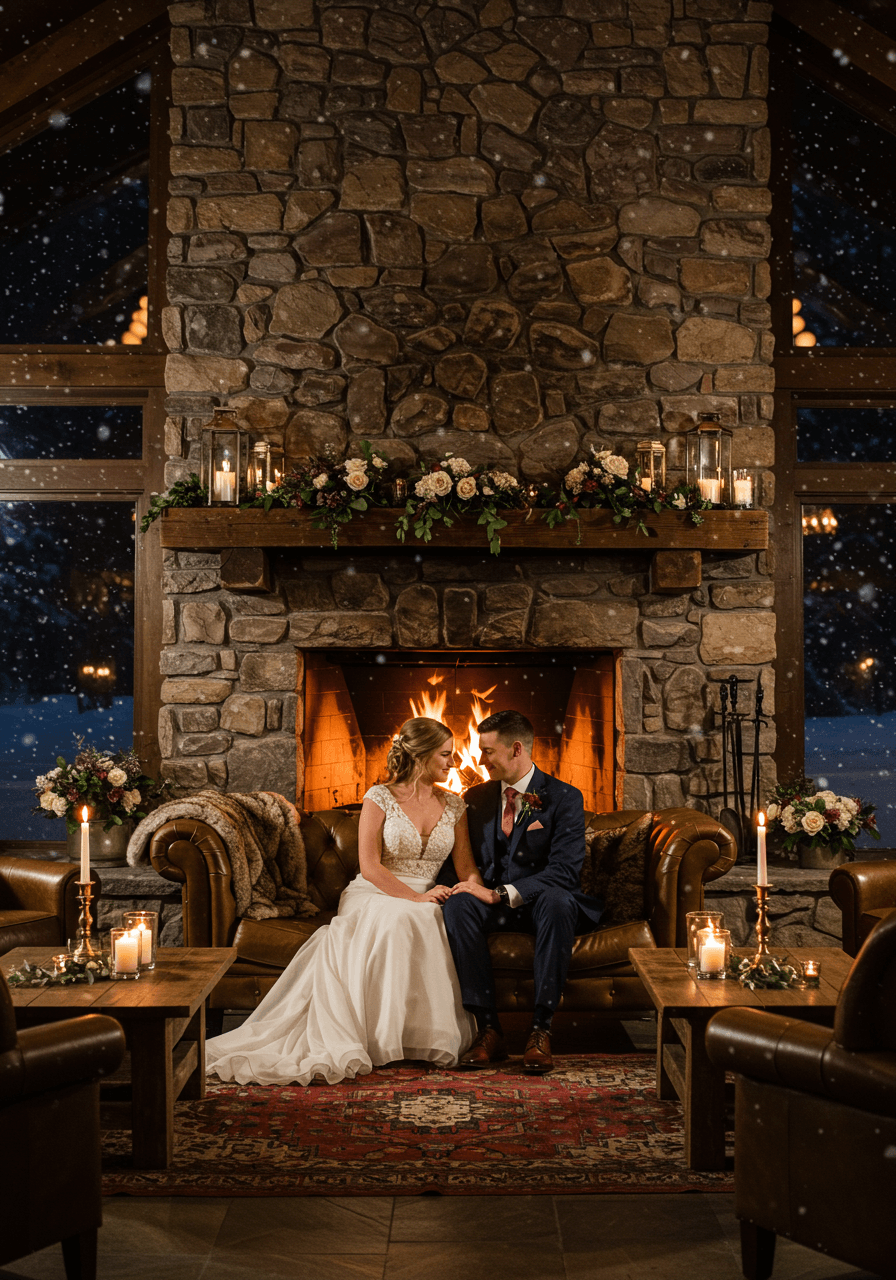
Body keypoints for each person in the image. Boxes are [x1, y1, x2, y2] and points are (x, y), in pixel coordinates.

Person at [205, 717, 477, 1086]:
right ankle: (380, 1038)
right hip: (377, 889)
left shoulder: (455, 805)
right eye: (445, 755)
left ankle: (417, 1035)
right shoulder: (379, 797)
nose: (453, 763)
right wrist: (416, 897)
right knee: (404, 918)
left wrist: (472, 889)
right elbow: (369, 866)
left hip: (428, 892)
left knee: (428, 917)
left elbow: (467, 868)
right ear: (421, 755)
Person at [442, 709, 602, 1075]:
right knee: (458, 905)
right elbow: (461, 857)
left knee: (560, 901)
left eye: (487, 752)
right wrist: (463, 885)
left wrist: (500, 893)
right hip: (489, 902)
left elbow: (563, 871)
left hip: (541, 902)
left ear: (516, 749)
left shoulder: (563, 798)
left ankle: (540, 1029)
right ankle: (488, 1029)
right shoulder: (476, 798)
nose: (480, 761)